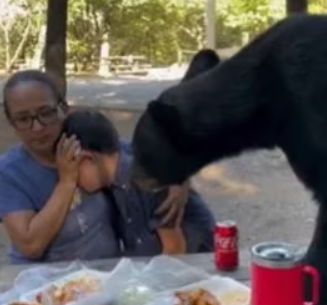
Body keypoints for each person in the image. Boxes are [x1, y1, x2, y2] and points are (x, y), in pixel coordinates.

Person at [0, 70, 191, 305]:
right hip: (45, 297)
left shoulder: (89, 142)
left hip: (109, 284)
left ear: (64, 109)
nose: (38, 127)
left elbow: (149, 158)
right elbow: (31, 243)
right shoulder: (10, 173)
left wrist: (179, 177)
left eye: (46, 114)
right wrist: (67, 181)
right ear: (11, 122)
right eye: (23, 119)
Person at [60, 109, 216, 255]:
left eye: (73, 168)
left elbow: (175, 250)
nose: (73, 179)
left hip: (196, 264)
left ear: (87, 158)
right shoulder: (113, 158)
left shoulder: (150, 180)